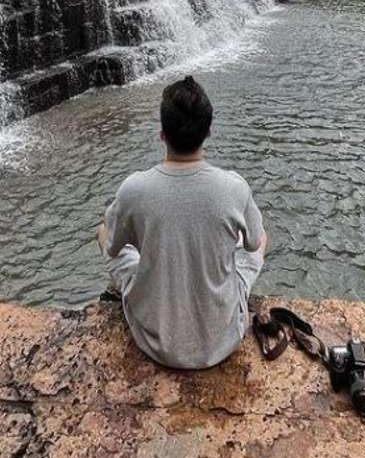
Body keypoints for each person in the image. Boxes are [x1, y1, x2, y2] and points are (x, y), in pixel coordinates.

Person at [96, 75, 267, 369]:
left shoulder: (134, 189)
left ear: (161, 133)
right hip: (222, 341)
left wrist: (113, 233)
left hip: (154, 341)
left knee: (111, 237)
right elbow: (254, 243)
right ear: (209, 131)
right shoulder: (234, 187)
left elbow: (111, 250)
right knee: (255, 241)